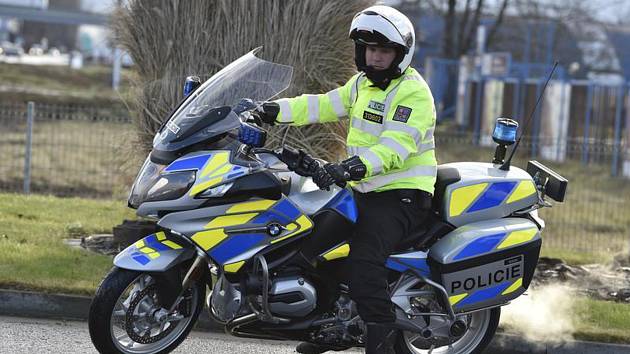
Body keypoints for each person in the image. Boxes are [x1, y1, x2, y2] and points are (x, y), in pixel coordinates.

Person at [257, 5, 437, 354]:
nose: (376, 57)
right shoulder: (360, 85)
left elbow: (393, 149)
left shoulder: (413, 94)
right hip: (362, 189)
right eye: (370, 50)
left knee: (364, 265)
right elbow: (321, 105)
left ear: (401, 54)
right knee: (306, 247)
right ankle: (330, 329)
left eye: (384, 51)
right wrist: (273, 111)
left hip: (401, 196)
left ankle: (381, 343)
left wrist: (347, 169)